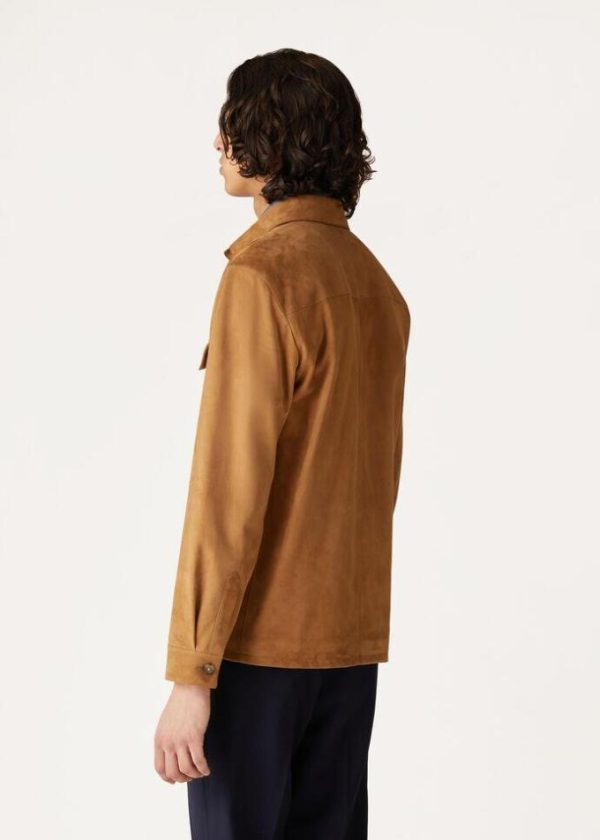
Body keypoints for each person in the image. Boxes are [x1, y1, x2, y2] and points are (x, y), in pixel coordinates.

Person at [154, 48, 411, 839]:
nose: (217, 142)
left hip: (258, 651)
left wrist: (193, 673)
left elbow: (228, 490)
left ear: (271, 139)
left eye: (232, 123)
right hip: (348, 649)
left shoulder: (262, 276)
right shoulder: (375, 285)